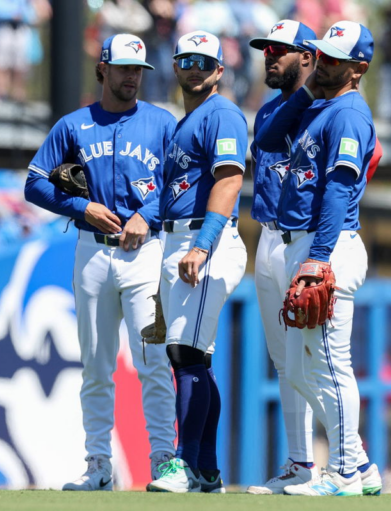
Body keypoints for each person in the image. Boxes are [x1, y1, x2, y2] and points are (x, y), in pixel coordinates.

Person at [24, 34, 177, 490]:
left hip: (147, 255)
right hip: (92, 253)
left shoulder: (162, 123)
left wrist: (146, 217)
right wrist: (80, 207)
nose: (132, 77)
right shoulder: (73, 126)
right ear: (102, 69)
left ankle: (164, 461)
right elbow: (33, 183)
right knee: (95, 364)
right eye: (124, 68)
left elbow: (179, 185)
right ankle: (97, 465)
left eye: (139, 70)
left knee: (152, 360)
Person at [255, 20, 382, 496]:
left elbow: (339, 191)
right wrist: (308, 89)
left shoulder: (349, 113)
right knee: (303, 369)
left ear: (358, 69)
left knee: (329, 364)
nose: (323, 62)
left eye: (334, 58)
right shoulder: (318, 105)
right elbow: (268, 140)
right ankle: (361, 465)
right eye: (321, 54)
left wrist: (319, 259)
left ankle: (346, 471)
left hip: (327, 245)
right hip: (302, 243)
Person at [146, 30, 247, 494]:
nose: (194, 69)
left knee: (185, 356)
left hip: (205, 239)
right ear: (175, 65)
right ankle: (205, 469)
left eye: (204, 62)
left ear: (220, 71)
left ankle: (185, 465)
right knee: (195, 358)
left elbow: (228, 179)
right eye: (187, 60)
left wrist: (203, 244)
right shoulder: (187, 119)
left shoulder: (221, 113)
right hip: (179, 238)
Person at [245, 19, 321, 495]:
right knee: (284, 363)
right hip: (268, 239)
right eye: (266, 49)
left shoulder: (329, 112)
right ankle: (300, 463)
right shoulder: (268, 113)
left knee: (312, 359)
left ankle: (349, 461)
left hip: (307, 241)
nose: (270, 56)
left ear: (308, 57)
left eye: (280, 49)